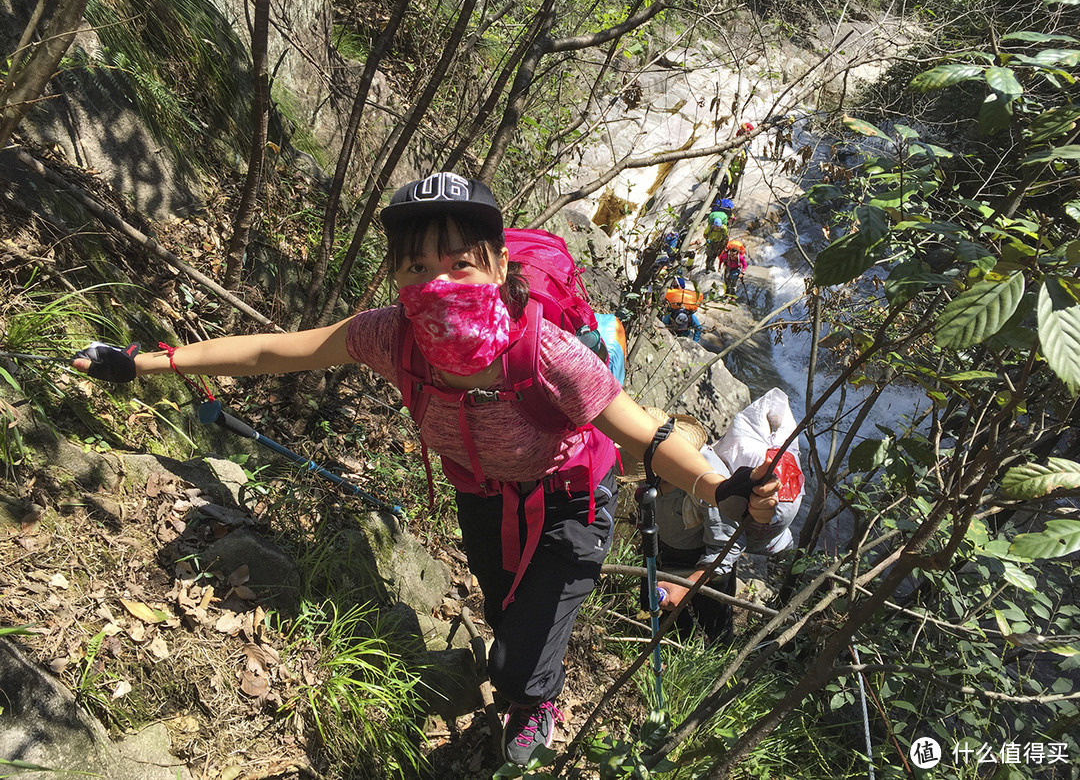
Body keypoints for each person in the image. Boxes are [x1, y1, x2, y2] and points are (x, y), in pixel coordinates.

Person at [73, 172, 780, 768]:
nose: (438, 282)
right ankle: (527, 681)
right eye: (417, 267)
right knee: (504, 615)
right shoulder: (392, 336)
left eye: (459, 262)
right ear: (395, 278)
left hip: (573, 498)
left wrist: (721, 488)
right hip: (481, 495)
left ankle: (536, 700)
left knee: (515, 659)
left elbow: (643, 431)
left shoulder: (551, 355)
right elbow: (272, 353)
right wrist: (144, 363)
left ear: (499, 267)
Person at [625, 396, 804, 646]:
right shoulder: (652, 481)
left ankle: (716, 669)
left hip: (703, 564)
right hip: (662, 553)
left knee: (716, 628)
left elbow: (725, 548)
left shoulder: (705, 483)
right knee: (664, 618)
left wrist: (688, 586)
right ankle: (670, 650)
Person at [703, 209, 729, 273]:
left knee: (715, 254)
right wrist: (707, 240)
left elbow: (726, 236)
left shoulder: (724, 228)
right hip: (711, 242)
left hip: (718, 242)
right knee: (709, 254)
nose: (717, 228)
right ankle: (708, 267)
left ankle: (711, 265)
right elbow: (705, 234)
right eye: (716, 226)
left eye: (718, 227)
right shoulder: (710, 227)